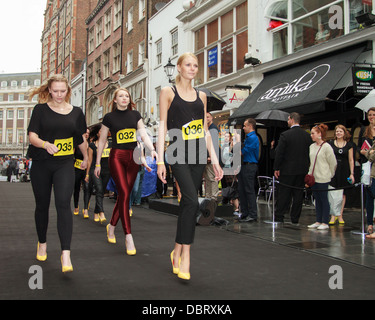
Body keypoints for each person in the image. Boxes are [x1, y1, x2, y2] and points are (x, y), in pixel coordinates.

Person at [157, 52, 223, 280]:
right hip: (176, 151)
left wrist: (214, 159)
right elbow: (162, 126)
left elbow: (204, 131)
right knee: (189, 200)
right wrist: (159, 159)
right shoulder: (168, 92)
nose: (193, 68)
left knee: (189, 204)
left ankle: (176, 250)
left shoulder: (201, 96)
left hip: (198, 153)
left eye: (196, 65)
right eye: (188, 64)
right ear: (178, 67)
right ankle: (185, 256)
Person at [27, 74, 88, 273]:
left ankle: (66, 254)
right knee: (42, 205)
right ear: (49, 90)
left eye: (63, 91)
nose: (59, 95)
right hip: (42, 163)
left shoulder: (77, 112)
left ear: (68, 91)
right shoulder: (40, 110)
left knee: (63, 204)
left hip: (64, 164)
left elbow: (80, 139)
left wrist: (86, 158)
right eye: (55, 91)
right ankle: (42, 242)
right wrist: (45, 145)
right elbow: (32, 136)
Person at [94, 88, 155, 256]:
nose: (124, 98)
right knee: (125, 193)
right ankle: (128, 236)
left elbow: (143, 135)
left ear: (129, 99)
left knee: (124, 195)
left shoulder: (135, 115)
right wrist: (98, 163)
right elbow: (102, 141)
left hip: (134, 157)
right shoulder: (109, 118)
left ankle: (111, 227)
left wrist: (151, 150)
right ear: (115, 100)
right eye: (120, 96)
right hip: (117, 157)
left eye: (126, 96)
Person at [274, 112, 312, 224]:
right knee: (298, 194)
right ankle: (295, 218)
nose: (287, 121)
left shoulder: (285, 135)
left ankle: (280, 215)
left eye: (288, 119)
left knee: (284, 193)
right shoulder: (307, 136)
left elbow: (279, 153)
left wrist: (277, 167)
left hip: (287, 170)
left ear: (291, 119)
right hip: (302, 169)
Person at [307, 124, 337, 230]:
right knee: (317, 199)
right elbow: (311, 162)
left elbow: (333, 162)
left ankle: (325, 221)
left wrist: (330, 174)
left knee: (324, 199)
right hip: (314, 177)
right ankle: (318, 220)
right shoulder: (311, 146)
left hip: (323, 177)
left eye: (313, 133)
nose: (311, 135)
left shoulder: (327, 147)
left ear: (319, 134)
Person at [328, 125, 355, 225]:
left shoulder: (349, 145)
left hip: (344, 170)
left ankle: (340, 214)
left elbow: (351, 160)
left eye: (340, 131)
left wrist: (352, 173)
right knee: (333, 193)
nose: (338, 133)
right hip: (334, 170)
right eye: (337, 131)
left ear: (344, 133)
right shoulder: (330, 143)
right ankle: (333, 215)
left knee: (342, 194)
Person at [87, 123, 110, 223]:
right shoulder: (92, 146)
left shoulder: (111, 145)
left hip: (106, 170)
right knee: (99, 189)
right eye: (101, 131)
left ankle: (96, 211)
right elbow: (89, 161)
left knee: (101, 191)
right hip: (94, 170)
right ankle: (101, 212)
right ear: (97, 133)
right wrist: (87, 174)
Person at [237, 118, 259, 222]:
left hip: (250, 165)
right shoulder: (248, 138)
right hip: (245, 165)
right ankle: (245, 212)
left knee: (249, 190)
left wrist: (236, 145)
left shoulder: (253, 138)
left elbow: (243, 152)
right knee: (242, 189)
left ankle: (253, 214)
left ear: (250, 126)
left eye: (245, 126)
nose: (243, 128)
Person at [359, 107, 375, 234]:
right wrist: (366, 153)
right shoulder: (364, 130)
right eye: (369, 115)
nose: (371, 117)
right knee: (369, 195)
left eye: (374, 115)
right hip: (367, 165)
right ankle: (369, 223)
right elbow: (360, 148)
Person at [203, 112, 220, 201]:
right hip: (207, 158)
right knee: (208, 178)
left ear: (212, 118)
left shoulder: (213, 129)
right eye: (205, 117)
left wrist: (211, 156)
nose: (206, 119)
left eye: (208, 117)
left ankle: (213, 197)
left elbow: (214, 144)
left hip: (211, 158)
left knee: (212, 178)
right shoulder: (208, 129)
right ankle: (208, 196)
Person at [73, 129, 89, 216]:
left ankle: (85, 209)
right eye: (85, 133)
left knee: (86, 188)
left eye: (88, 133)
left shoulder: (90, 145)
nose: (87, 135)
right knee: (76, 188)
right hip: (77, 168)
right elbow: (72, 155)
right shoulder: (77, 144)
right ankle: (76, 206)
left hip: (86, 169)